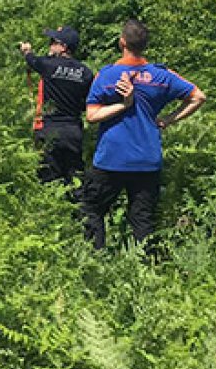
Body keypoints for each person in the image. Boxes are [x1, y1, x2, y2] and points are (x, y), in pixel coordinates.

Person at [83, 19, 206, 251]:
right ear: (145, 45)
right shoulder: (162, 76)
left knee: (91, 209)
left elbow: (92, 115)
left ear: (122, 42)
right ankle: (146, 265)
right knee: (143, 220)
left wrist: (122, 105)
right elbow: (198, 97)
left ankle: (95, 258)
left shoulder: (107, 75)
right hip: (147, 159)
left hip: (111, 158)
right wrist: (169, 119)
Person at [19, 26, 93, 186]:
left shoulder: (48, 65)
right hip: (73, 132)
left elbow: (31, 60)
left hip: (49, 130)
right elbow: (86, 102)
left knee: (48, 181)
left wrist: (26, 51)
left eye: (53, 42)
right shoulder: (86, 72)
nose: (50, 45)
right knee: (74, 181)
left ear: (63, 47)